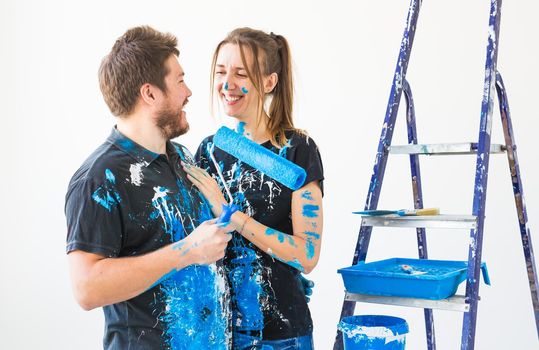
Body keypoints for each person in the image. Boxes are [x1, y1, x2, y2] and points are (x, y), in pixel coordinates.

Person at [64, 26, 233, 350]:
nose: (189, 92)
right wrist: (188, 251)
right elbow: (86, 289)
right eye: (180, 80)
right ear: (150, 93)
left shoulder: (181, 158)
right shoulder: (99, 179)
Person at [185, 27, 324, 349]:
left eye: (241, 73)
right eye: (221, 71)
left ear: (268, 82)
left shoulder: (297, 150)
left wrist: (234, 218)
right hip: (219, 332)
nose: (227, 84)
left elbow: (307, 256)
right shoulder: (208, 151)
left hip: (281, 335)